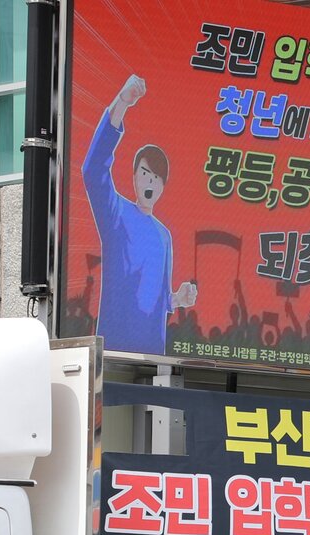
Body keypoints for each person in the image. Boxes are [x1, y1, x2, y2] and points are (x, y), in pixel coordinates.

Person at [82, 74, 198, 355]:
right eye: (145, 173)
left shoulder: (164, 235)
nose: (150, 182)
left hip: (154, 358)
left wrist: (177, 300)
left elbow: (157, 301)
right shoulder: (116, 212)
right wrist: (122, 103)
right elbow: (93, 169)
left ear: (163, 186)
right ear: (133, 177)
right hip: (113, 355)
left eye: (156, 178)